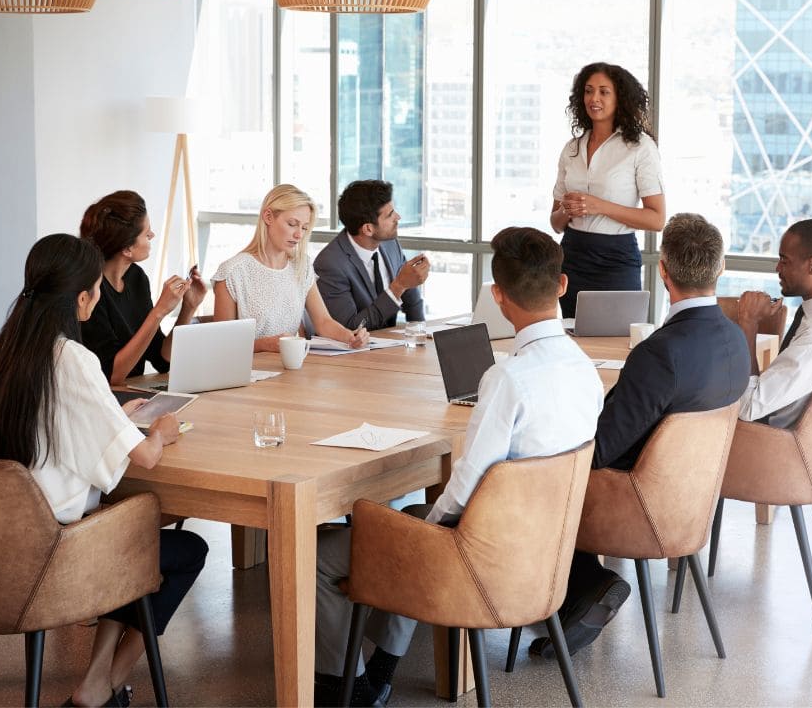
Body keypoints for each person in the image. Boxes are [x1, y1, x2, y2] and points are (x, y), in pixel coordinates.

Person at [313, 227, 605, 707]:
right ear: (562, 285)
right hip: (545, 552)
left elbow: (467, 484)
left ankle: (344, 689)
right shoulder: (585, 371)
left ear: (497, 296)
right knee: (415, 523)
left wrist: (424, 529)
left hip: (481, 560)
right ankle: (378, 675)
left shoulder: (508, 377)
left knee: (328, 550)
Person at [0, 234, 208, 708]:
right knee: (182, 548)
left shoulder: (8, 352)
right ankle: (106, 682)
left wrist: (112, 419)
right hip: (57, 554)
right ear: (83, 297)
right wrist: (160, 431)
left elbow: (51, 425)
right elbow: (143, 459)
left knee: (130, 535)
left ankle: (97, 685)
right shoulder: (74, 359)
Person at [529, 213, 749, 659]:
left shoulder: (660, 352)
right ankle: (582, 586)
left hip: (634, 501)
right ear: (720, 268)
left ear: (662, 270)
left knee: (533, 471)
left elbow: (602, 448)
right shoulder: (734, 339)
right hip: (688, 499)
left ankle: (587, 584)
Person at [550, 62, 666, 317]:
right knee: (575, 338)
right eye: (589, 91)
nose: (594, 98)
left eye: (604, 91)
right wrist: (568, 210)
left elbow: (657, 219)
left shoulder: (640, 147)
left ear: (620, 98)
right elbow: (556, 223)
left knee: (618, 341)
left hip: (616, 260)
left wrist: (598, 205)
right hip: (572, 258)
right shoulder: (572, 148)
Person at [731, 218, 812, 428]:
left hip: (766, 439)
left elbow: (748, 407)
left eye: (785, 261)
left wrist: (748, 322)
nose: (777, 268)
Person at [212, 184, 369, 352]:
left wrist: (351, 337)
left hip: (291, 368)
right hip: (249, 372)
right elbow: (222, 344)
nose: (299, 235)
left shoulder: (301, 267)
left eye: (304, 228)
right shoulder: (232, 272)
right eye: (292, 224)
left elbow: (323, 322)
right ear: (268, 217)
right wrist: (263, 345)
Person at [79, 190, 207, 386]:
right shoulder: (90, 293)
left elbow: (162, 359)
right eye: (146, 233)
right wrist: (158, 312)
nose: (152, 235)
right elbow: (112, 375)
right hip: (106, 398)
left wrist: (188, 308)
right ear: (127, 249)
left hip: (133, 393)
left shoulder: (136, 277)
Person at [314, 180, 428, 330]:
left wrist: (422, 334)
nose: (398, 217)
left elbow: (410, 296)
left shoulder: (389, 243)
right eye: (390, 215)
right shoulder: (330, 264)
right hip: (355, 351)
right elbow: (350, 328)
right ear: (368, 229)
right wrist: (398, 286)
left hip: (392, 347)